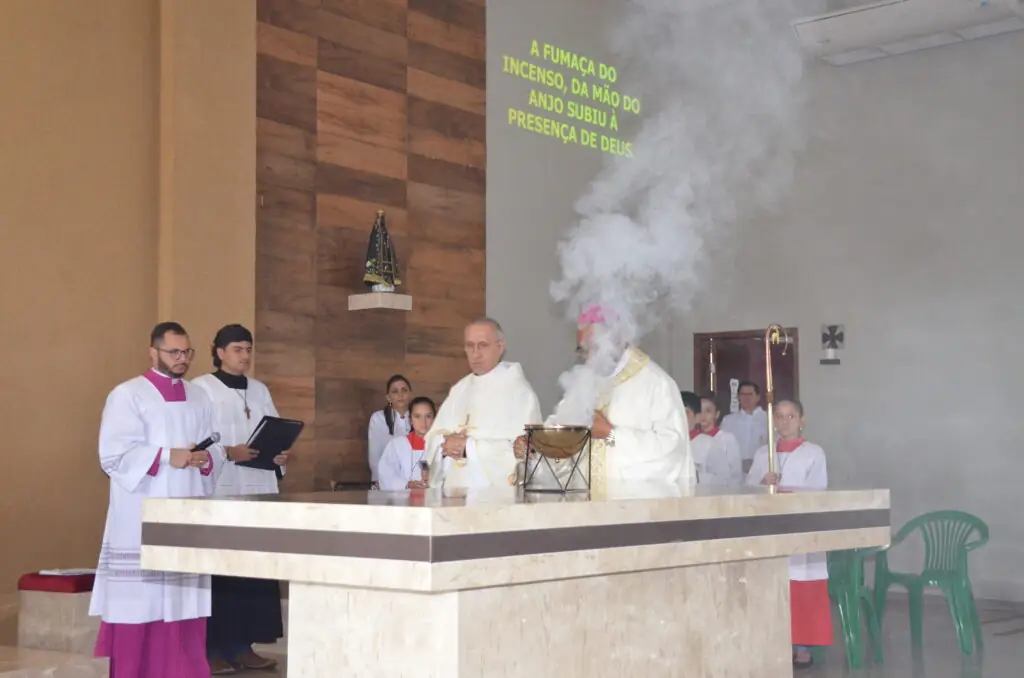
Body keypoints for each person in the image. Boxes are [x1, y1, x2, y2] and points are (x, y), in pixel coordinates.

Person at [89, 322, 221, 678]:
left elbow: (215, 443)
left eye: (187, 352)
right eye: (174, 352)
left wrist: (206, 458)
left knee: (183, 604)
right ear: (153, 352)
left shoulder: (198, 396)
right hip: (141, 516)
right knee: (142, 603)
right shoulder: (128, 395)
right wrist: (167, 456)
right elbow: (113, 455)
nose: (182, 359)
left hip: (187, 511)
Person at [191, 324, 286, 675]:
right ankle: (213, 647)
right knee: (221, 572)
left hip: (258, 486)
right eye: (236, 349)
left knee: (253, 571)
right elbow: (195, 441)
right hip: (222, 488)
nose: (244, 356)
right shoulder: (202, 389)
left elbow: (271, 429)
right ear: (218, 352)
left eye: (248, 349)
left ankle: (244, 645)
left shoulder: (259, 390)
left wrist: (277, 455)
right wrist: (229, 452)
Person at [549, 305, 694, 493]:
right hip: (584, 508)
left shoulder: (656, 383)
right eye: (582, 350)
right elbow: (560, 430)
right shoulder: (582, 383)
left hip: (635, 509)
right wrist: (537, 446)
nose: (589, 358)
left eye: (594, 348)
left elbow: (672, 451)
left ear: (619, 339)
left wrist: (611, 434)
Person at [745, 400, 831, 669]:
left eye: (791, 416)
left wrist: (786, 490)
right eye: (779, 417)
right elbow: (747, 491)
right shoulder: (763, 454)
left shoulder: (813, 453)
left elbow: (818, 490)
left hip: (800, 529)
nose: (784, 422)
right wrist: (762, 485)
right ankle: (773, 643)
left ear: (802, 420)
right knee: (773, 587)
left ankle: (802, 647)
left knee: (800, 588)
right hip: (769, 530)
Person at [426, 318, 542, 488]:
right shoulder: (459, 390)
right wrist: (444, 444)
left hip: (495, 502)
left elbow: (526, 453)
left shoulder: (519, 393)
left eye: (483, 345)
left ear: (500, 347)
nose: (475, 353)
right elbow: (432, 438)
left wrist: (469, 448)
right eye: (470, 345)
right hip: (454, 495)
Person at [378, 397, 436, 491]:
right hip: (405, 501)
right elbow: (386, 474)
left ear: (434, 419)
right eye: (417, 416)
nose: (423, 422)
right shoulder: (397, 444)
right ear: (410, 420)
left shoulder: (443, 446)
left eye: (428, 416)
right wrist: (407, 485)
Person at [367, 375, 412, 487]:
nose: (400, 395)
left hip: (413, 480)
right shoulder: (378, 418)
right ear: (388, 397)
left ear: (410, 393)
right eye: (395, 391)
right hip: (386, 481)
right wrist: (378, 479)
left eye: (404, 390)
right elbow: (375, 453)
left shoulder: (417, 417)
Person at [721, 380, 768, 474]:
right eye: (742, 394)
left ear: (758, 397)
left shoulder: (768, 420)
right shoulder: (728, 421)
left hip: (762, 472)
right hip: (734, 473)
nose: (746, 398)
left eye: (750, 394)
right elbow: (721, 447)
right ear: (738, 397)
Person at [695, 393, 743, 486]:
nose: (703, 415)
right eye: (699, 411)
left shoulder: (727, 439)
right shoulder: (693, 439)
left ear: (716, 414)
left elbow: (736, 475)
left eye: (708, 411)